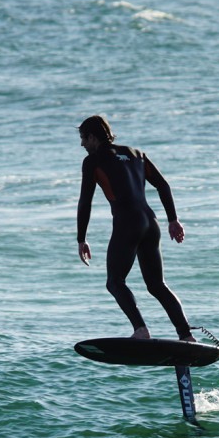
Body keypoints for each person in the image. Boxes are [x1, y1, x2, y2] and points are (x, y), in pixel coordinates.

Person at [76, 115, 195, 342]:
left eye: (83, 138)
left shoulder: (93, 161)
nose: (82, 144)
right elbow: (163, 185)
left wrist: (81, 238)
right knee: (157, 285)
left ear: (92, 137)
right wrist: (173, 219)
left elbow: (85, 201)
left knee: (115, 282)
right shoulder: (136, 154)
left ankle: (141, 330)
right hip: (151, 222)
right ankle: (186, 335)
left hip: (127, 223)